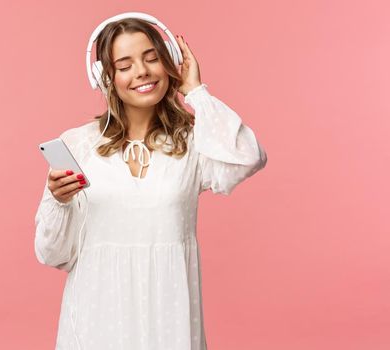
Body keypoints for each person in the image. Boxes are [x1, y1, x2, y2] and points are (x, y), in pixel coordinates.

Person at [34, 18, 267, 349]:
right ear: (107, 79)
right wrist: (59, 202)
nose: (142, 71)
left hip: (168, 316)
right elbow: (52, 253)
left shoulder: (193, 142)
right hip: (96, 317)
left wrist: (197, 92)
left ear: (169, 60)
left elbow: (249, 157)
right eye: (125, 65)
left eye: (152, 57)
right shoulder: (78, 145)